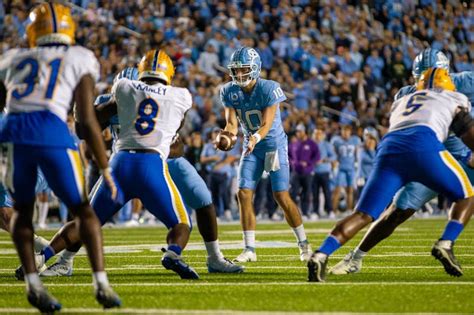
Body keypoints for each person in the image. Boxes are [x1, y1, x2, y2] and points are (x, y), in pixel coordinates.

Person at [41, 67, 243, 276]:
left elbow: (178, 147)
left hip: (164, 160)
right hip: (129, 160)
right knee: (89, 213)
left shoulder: (159, 100)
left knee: (203, 199)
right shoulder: (110, 102)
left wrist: (154, 146)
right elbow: (85, 132)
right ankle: (66, 260)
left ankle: (215, 258)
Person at [31, 50, 202, 281]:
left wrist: (80, 105)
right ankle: (173, 253)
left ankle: (43, 256)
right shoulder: (181, 95)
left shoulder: (122, 88)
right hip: (151, 164)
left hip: (119, 164)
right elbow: (175, 140)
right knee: (182, 223)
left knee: (84, 221)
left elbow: (85, 126)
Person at [0, 2, 121, 312]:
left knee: (21, 213)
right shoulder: (79, 57)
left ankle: (33, 285)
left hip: (12, 132)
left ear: (32, 30)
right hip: (50, 130)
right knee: (84, 210)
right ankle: (101, 283)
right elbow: (86, 121)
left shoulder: (13, 58)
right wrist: (105, 166)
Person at [308, 67, 474, 282]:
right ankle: (446, 243)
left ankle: (321, 254)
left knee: (363, 214)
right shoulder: (454, 96)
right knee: (466, 195)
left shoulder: (404, 100)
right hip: (424, 146)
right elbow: (467, 134)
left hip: (389, 150)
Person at [218, 47, 311, 262]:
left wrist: (254, 138)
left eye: (244, 70)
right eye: (236, 70)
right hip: (251, 148)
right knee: (243, 194)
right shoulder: (228, 91)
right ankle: (249, 248)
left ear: (256, 68)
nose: (239, 75)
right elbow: (231, 123)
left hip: (272, 146)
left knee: (281, 195)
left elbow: (267, 124)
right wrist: (225, 137)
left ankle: (303, 243)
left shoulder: (269, 88)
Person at [289, 124, 320, 220]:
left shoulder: (312, 143)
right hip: (296, 172)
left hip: (307, 172)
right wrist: (293, 163)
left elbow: (317, 156)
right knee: (293, 193)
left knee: (306, 193)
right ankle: (292, 214)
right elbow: (288, 155)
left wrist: (309, 163)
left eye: (299, 131)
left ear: (304, 132)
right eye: (297, 131)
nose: (298, 133)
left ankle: (305, 213)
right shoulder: (294, 144)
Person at [331, 125, 360, 213]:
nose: (345, 133)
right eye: (344, 131)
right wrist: (334, 162)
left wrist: (356, 163)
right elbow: (333, 153)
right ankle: (333, 211)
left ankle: (348, 210)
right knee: (337, 190)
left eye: (347, 131)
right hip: (340, 168)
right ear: (341, 131)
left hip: (351, 168)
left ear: (350, 132)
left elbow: (357, 153)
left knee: (350, 190)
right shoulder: (336, 141)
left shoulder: (355, 140)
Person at [312, 128, 336, 218]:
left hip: (325, 171)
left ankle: (330, 210)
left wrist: (325, 160)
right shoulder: (311, 144)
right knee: (315, 192)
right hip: (314, 172)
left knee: (327, 192)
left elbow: (333, 156)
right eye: (316, 134)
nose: (317, 136)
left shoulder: (326, 144)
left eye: (319, 134)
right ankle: (315, 211)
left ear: (323, 135)